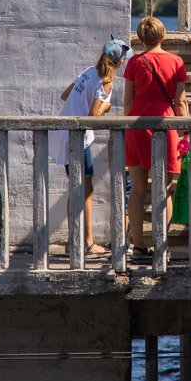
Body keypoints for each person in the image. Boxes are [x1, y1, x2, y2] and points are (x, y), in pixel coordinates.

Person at [53, 38, 130, 256]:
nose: (125, 61)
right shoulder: (106, 80)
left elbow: (65, 95)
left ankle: (72, 241)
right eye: (124, 58)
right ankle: (86, 242)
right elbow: (93, 116)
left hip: (65, 134)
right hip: (79, 137)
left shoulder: (88, 71)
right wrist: (107, 106)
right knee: (85, 190)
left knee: (76, 188)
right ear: (119, 61)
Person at [124, 16, 189, 259]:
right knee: (165, 190)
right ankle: (161, 245)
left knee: (138, 190)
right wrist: (185, 131)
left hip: (137, 126)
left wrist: (124, 128)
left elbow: (128, 101)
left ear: (140, 38)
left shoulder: (134, 63)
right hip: (166, 125)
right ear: (163, 36)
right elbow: (180, 101)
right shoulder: (176, 61)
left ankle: (139, 245)